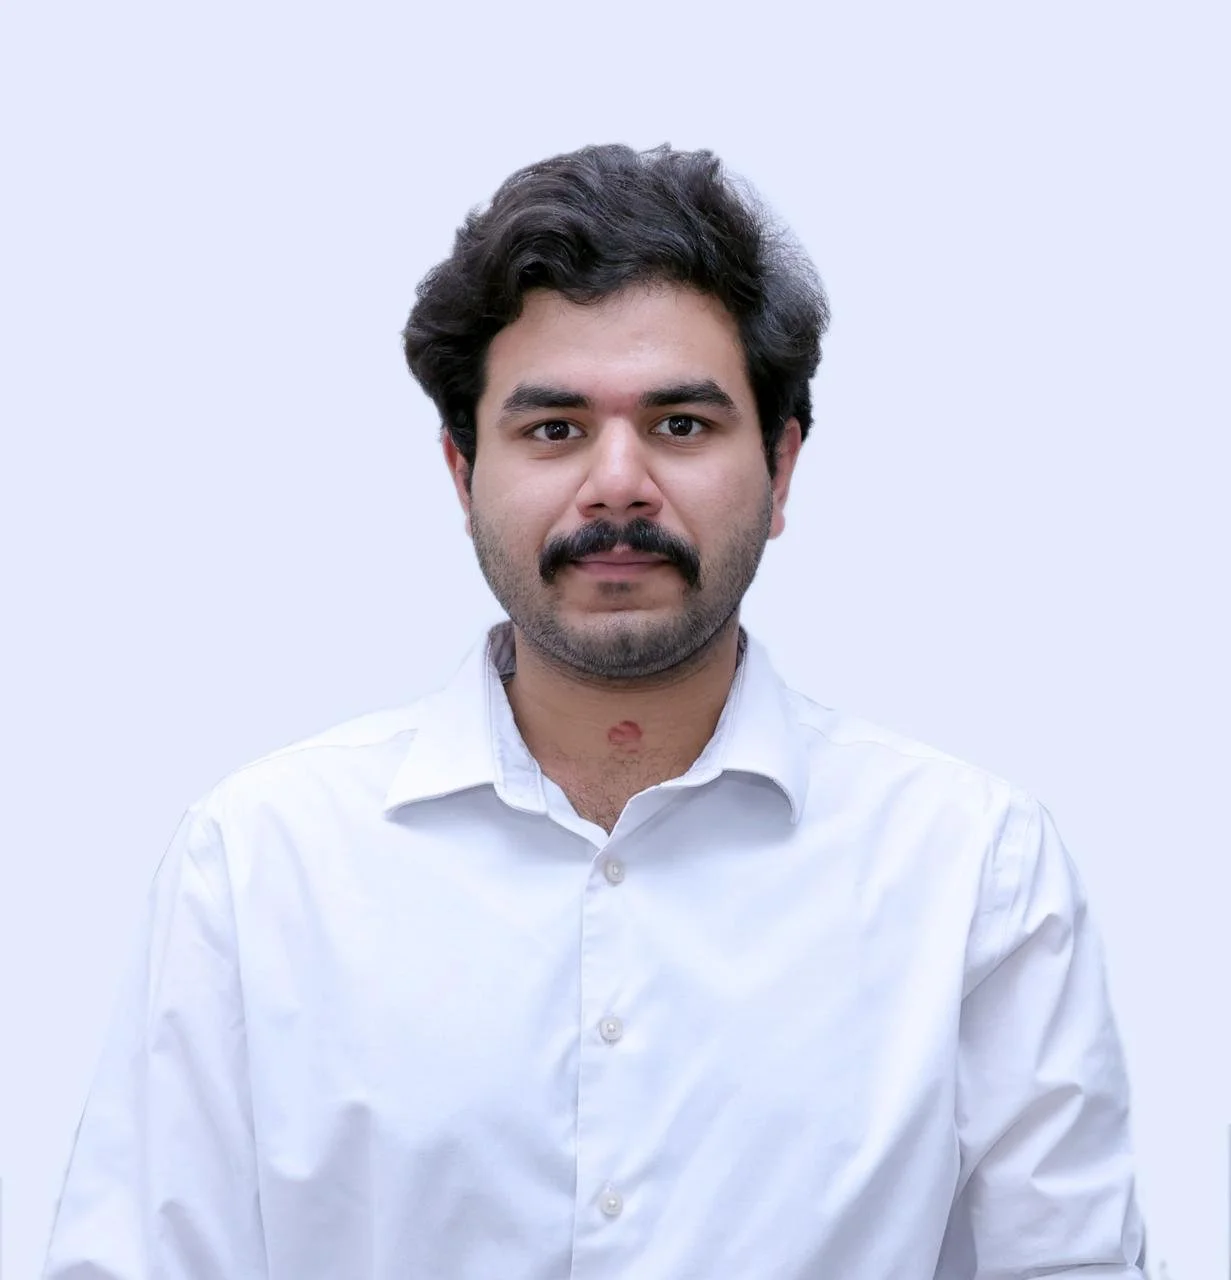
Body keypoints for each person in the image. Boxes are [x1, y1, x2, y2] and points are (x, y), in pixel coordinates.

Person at [43, 143, 1148, 1278]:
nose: (617, 483)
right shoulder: (262, 862)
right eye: (554, 429)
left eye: (681, 425)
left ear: (780, 467)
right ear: (462, 473)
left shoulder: (972, 869)